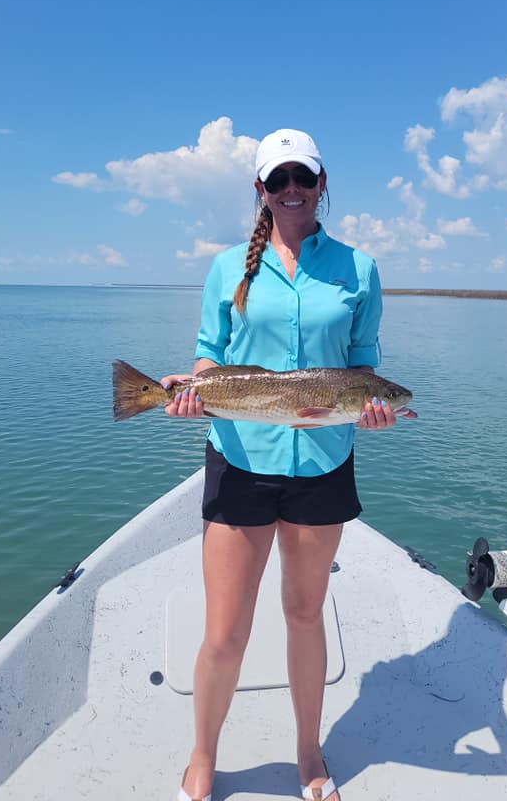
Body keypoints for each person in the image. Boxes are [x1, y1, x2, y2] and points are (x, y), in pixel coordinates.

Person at [161, 128, 399, 801]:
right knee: (226, 630)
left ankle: (308, 752)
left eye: (304, 176)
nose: (292, 188)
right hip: (241, 458)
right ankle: (204, 756)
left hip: (324, 461)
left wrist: (372, 406)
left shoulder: (359, 269)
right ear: (259, 190)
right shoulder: (226, 267)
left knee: (304, 613)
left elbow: (362, 364)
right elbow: (210, 354)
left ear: (323, 183)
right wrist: (192, 392)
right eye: (278, 178)